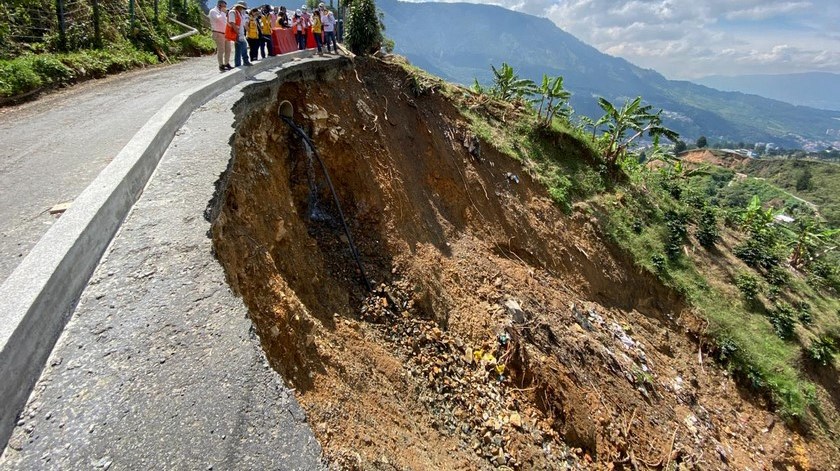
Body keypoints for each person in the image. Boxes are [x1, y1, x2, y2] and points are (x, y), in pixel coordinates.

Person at [208, 0, 232, 71]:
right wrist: (222, 11)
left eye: (225, 6)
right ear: (219, 5)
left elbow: (225, 22)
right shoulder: (213, 11)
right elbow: (219, 20)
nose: (225, 8)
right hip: (218, 33)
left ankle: (227, 63)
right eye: (224, 6)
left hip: (225, 33)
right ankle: (221, 65)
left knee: (228, 49)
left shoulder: (223, 13)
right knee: (221, 50)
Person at [228, 1, 251, 67]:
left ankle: (240, 63)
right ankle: (242, 62)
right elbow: (232, 23)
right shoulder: (233, 12)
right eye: (243, 8)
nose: (243, 9)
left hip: (240, 34)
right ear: (239, 6)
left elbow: (242, 24)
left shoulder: (239, 14)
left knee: (240, 49)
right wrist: (237, 33)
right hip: (237, 34)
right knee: (242, 48)